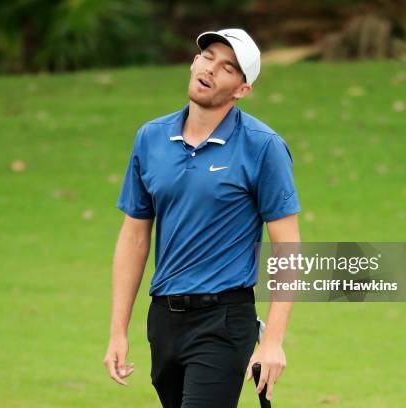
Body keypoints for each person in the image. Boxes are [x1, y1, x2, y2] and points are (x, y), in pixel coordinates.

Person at [104, 28, 301, 407]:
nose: (211, 69)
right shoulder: (150, 138)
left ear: (242, 89)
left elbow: (287, 246)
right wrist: (117, 331)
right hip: (163, 319)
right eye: (208, 56)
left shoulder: (263, 147)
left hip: (224, 320)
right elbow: (134, 238)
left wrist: (274, 340)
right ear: (194, 62)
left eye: (228, 68)